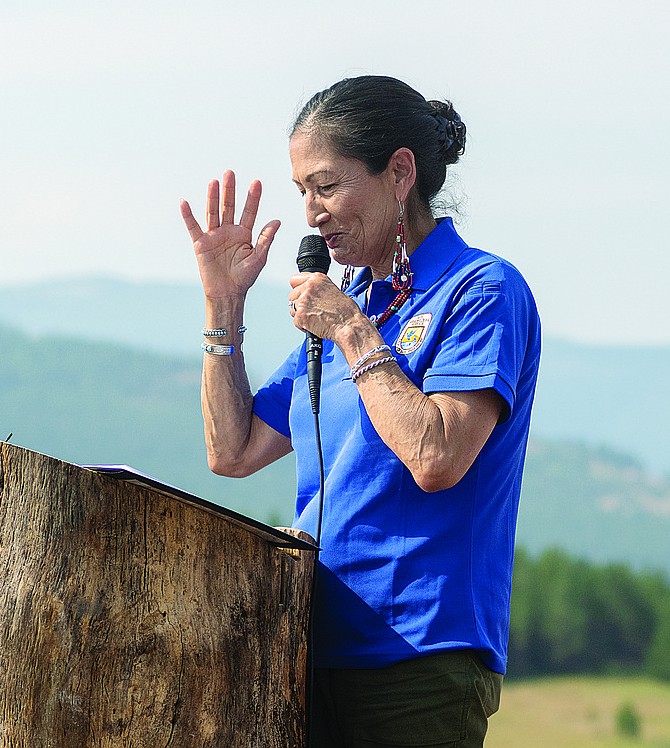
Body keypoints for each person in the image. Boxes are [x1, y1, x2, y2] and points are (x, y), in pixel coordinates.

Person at [180, 75, 540, 748]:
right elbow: (233, 452)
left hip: (419, 658)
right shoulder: (360, 302)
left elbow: (437, 457)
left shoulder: (481, 291)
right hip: (307, 645)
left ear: (399, 172)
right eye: (301, 192)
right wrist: (223, 305)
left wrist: (350, 332)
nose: (312, 213)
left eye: (327, 185)